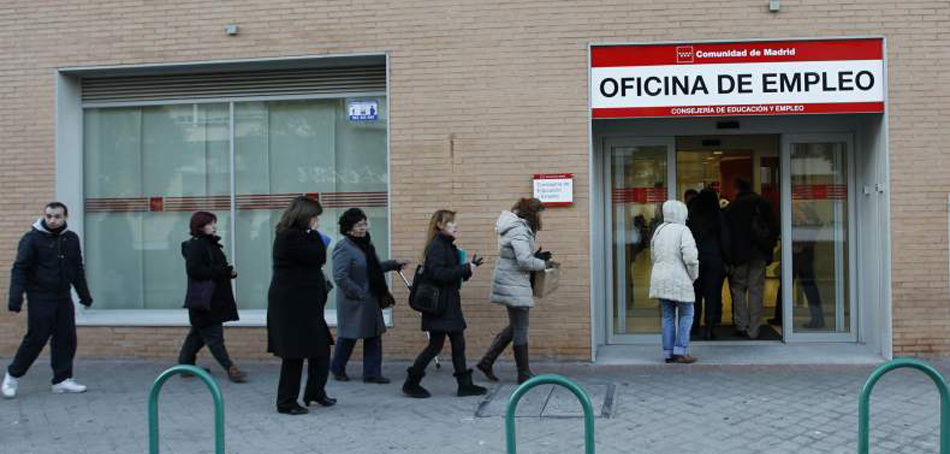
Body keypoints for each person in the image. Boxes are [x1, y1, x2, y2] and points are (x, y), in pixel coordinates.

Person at [3, 202, 93, 399]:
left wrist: (84, 295)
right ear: (44, 216)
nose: (53, 220)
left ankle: (62, 380)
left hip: (63, 296)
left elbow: (77, 269)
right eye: (49, 216)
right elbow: (20, 269)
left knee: (66, 338)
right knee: (36, 338)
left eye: (57, 216)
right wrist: (15, 298)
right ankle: (12, 375)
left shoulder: (71, 239)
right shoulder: (32, 239)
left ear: (65, 217)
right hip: (40, 297)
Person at [402, 209, 487, 398]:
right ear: (440, 225)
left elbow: (451, 275)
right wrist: (464, 268)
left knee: (453, 343)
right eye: (451, 222)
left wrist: (468, 269)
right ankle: (412, 383)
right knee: (438, 345)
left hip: (448, 304)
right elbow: (438, 274)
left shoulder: (447, 245)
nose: (455, 225)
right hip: (440, 306)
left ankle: (463, 385)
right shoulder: (437, 246)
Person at [267, 196, 335, 415]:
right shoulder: (290, 237)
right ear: (304, 216)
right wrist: (316, 236)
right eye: (314, 217)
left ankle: (315, 391)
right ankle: (286, 402)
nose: (317, 221)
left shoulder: (300, 235)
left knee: (321, 348)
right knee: (294, 354)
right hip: (291, 306)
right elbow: (317, 257)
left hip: (308, 305)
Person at [477, 198, 557, 384]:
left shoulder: (515, 227)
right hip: (514, 283)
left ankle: (486, 362)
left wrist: (535, 256)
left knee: (515, 326)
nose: (540, 217)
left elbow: (518, 256)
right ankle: (523, 373)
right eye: (539, 213)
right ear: (532, 213)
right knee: (521, 328)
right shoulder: (519, 229)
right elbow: (523, 261)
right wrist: (543, 263)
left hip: (512, 281)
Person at [330, 208, 408, 384]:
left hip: (371, 298)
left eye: (364, 224)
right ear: (348, 228)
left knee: (373, 335)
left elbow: (373, 268)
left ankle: (372, 374)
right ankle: (337, 368)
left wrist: (394, 264)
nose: (363, 228)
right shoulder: (343, 247)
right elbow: (340, 277)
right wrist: (360, 293)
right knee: (349, 336)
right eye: (359, 225)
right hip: (354, 301)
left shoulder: (366, 245)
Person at [177, 211, 247, 383]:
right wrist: (223, 270)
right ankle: (231, 369)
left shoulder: (210, 244)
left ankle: (185, 365)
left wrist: (228, 272)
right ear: (199, 226)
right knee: (214, 337)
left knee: (198, 335)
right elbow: (194, 271)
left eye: (214, 222)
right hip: (206, 302)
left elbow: (214, 268)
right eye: (210, 223)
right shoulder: (197, 246)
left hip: (213, 299)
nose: (214, 226)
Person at [724, 178, 778, 339]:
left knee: (738, 289)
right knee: (756, 290)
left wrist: (729, 256)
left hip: (739, 255)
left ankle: (741, 325)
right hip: (759, 254)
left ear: (736, 189)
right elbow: (773, 229)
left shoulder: (732, 207)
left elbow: (727, 234)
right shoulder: (763, 203)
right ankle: (754, 330)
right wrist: (768, 251)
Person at [649, 200, 699, 363]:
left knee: (667, 316)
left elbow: (653, 256)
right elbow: (691, 258)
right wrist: (693, 276)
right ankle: (681, 351)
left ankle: (668, 353)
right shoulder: (683, 230)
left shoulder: (659, 231)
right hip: (679, 278)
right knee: (687, 313)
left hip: (660, 278)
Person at [687, 189, 730, 340]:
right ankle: (709, 329)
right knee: (712, 294)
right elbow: (724, 239)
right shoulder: (717, 215)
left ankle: (694, 326)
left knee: (695, 295)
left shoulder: (692, 214)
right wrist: (727, 259)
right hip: (714, 258)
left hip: (695, 258)